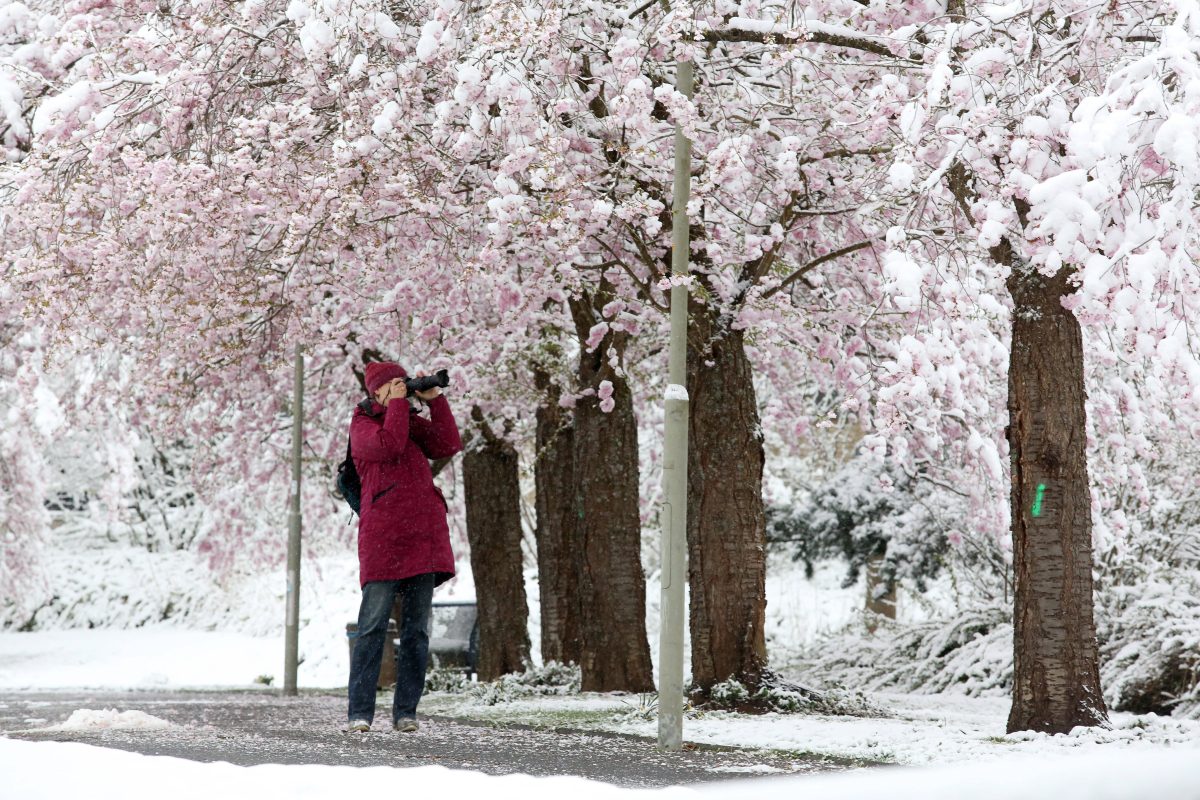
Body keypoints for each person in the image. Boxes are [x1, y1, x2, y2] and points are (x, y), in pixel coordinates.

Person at [346, 360, 462, 734]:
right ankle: (360, 713)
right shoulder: (362, 425)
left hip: (421, 539)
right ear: (375, 391)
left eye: (403, 382)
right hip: (383, 541)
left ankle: (406, 712)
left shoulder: (408, 419)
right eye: (392, 384)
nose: (400, 388)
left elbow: (447, 443)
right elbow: (390, 445)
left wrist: (435, 401)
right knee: (372, 628)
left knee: (417, 631)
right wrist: (398, 406)